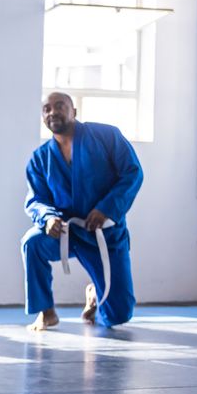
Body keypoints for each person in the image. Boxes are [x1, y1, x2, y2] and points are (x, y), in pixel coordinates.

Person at [22, 92, 143, 331]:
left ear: (74, 111)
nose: (52, 112)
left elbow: (132, 173)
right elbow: (36, 199)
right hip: (65, 233)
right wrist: (48, 218)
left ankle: (95, 295)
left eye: (59, 106)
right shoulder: (39, 158)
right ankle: (46, 311)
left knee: (118, 314)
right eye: (46, 108)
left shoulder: (106, 136)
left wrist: (107, 208)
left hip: (103, 234)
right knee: (32, 242)